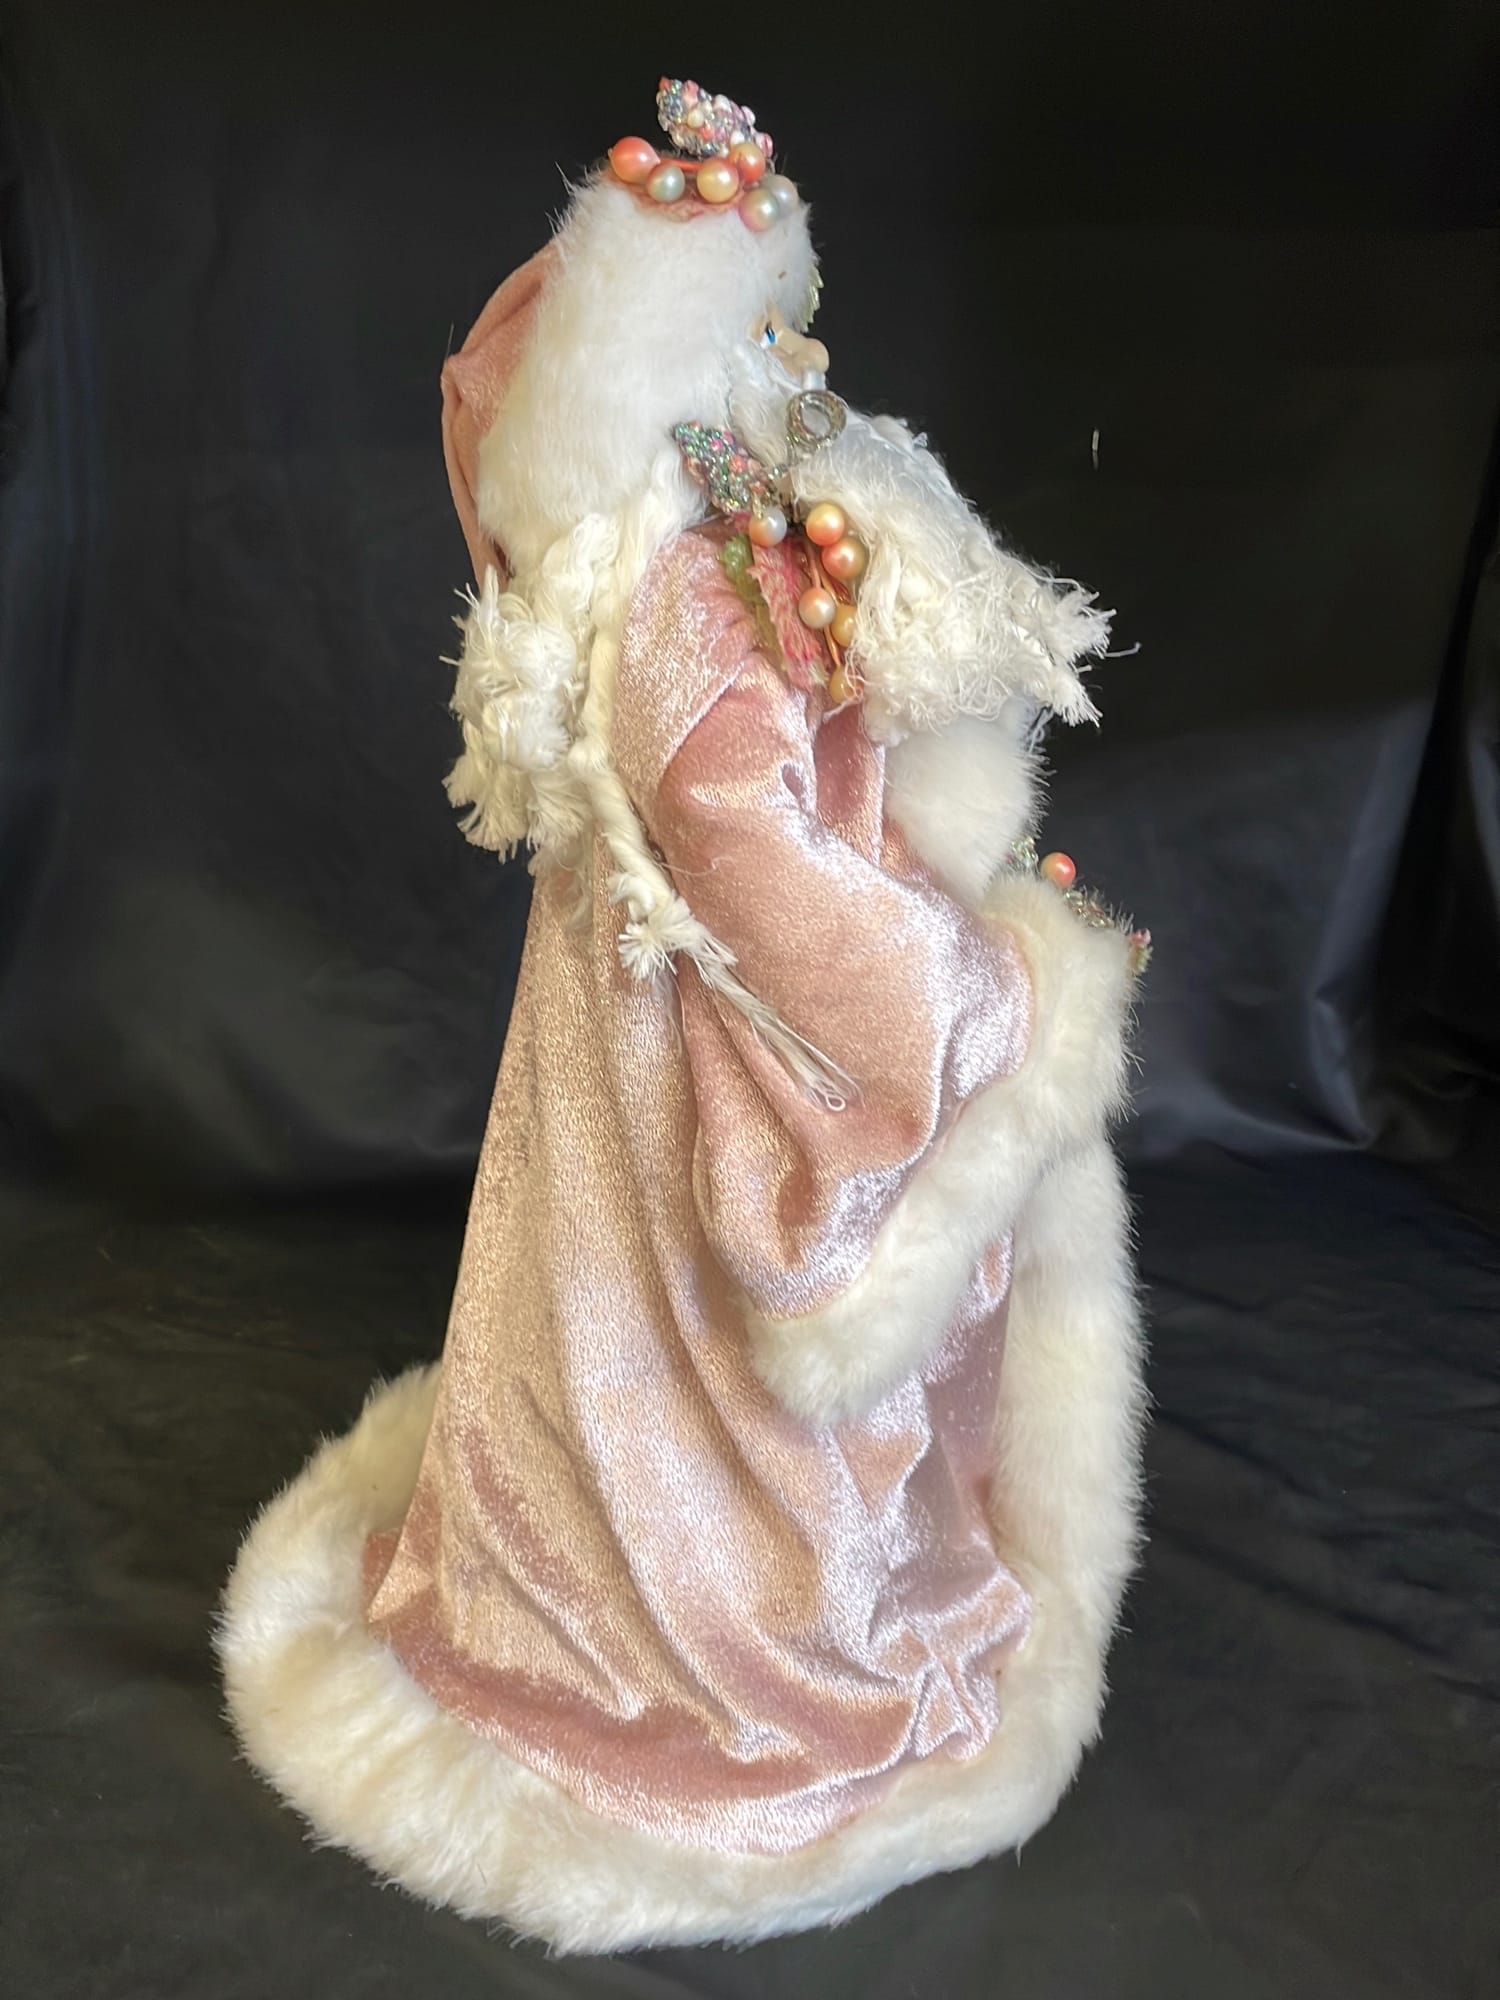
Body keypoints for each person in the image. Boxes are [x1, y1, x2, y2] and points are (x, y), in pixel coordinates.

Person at [219, 78, 1148, 1954]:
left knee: (621, 1303)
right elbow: (743, 851)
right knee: (707, 1353)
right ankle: (706, 1663)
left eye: (782, 307)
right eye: (751, 315)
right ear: (662, 352)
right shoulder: (675, 589)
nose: (789, 349)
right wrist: (961, 993)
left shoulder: (709, 517)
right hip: (716, 1012)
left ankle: (637, 1556)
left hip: (655, 1004)